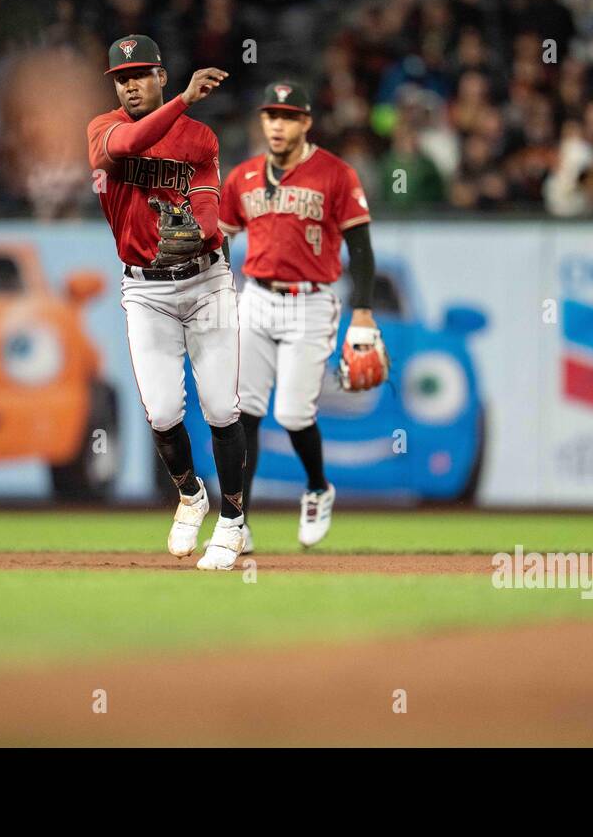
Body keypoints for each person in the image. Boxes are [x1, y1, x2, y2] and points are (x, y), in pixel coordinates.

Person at [85, 35, 248, 571]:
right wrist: (182, 99)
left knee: (222, 407)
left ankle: (231, 521)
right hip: (146, 289)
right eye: (121, 78)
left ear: (160, 73)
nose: (130, 84)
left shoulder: (199, 136)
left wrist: (201, 233)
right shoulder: (101, 129)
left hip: (205, 284)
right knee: (161, 412)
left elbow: (205, 199)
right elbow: (127, 148)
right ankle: (190, 495)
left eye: (139, 74)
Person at [219, 81, 379, 547]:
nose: (278, 125)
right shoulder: (244, 177)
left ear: (306, 122)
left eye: (288, 116)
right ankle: (236, 522)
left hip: (311, 302)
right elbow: (219, 239)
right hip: (257, 298)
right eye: (271, 116)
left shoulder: (335, 174)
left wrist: (364, 310)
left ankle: (316, 487)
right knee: (242, 412)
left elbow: (362, 248)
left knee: (291, 414)